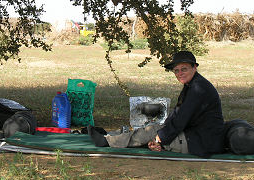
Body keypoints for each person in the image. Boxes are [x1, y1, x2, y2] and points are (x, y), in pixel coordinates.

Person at [88, 50, 225, 157]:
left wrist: (161, 138)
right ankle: (110, 136)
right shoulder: (193, 85)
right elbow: (177, 114)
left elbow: (181, 119)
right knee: (154, 129)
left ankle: (107, 141)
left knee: (152, 131)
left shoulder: (198, 89)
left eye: (184, 69)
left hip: (201, 142)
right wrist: (163, 135)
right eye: (176, 70)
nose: (179, 73)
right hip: (195, 135)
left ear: (194, 67)